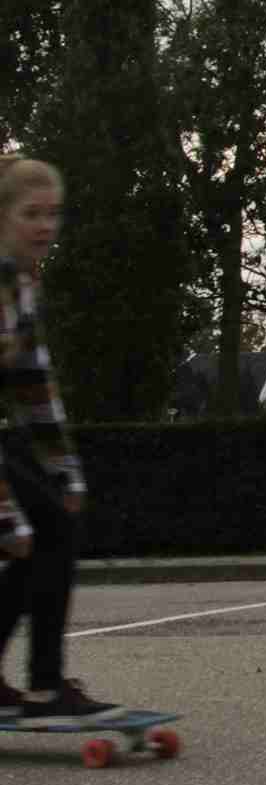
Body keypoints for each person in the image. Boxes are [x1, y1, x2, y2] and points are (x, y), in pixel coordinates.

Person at [0, 155, 122, 720]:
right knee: (26, 532)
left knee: (53, 524)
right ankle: (47, 687)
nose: (45, 226)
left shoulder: (22, 284)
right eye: (31, 214)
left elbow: (33, 384)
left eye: (53, 214)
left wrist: (63, 469)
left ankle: (45, 686)